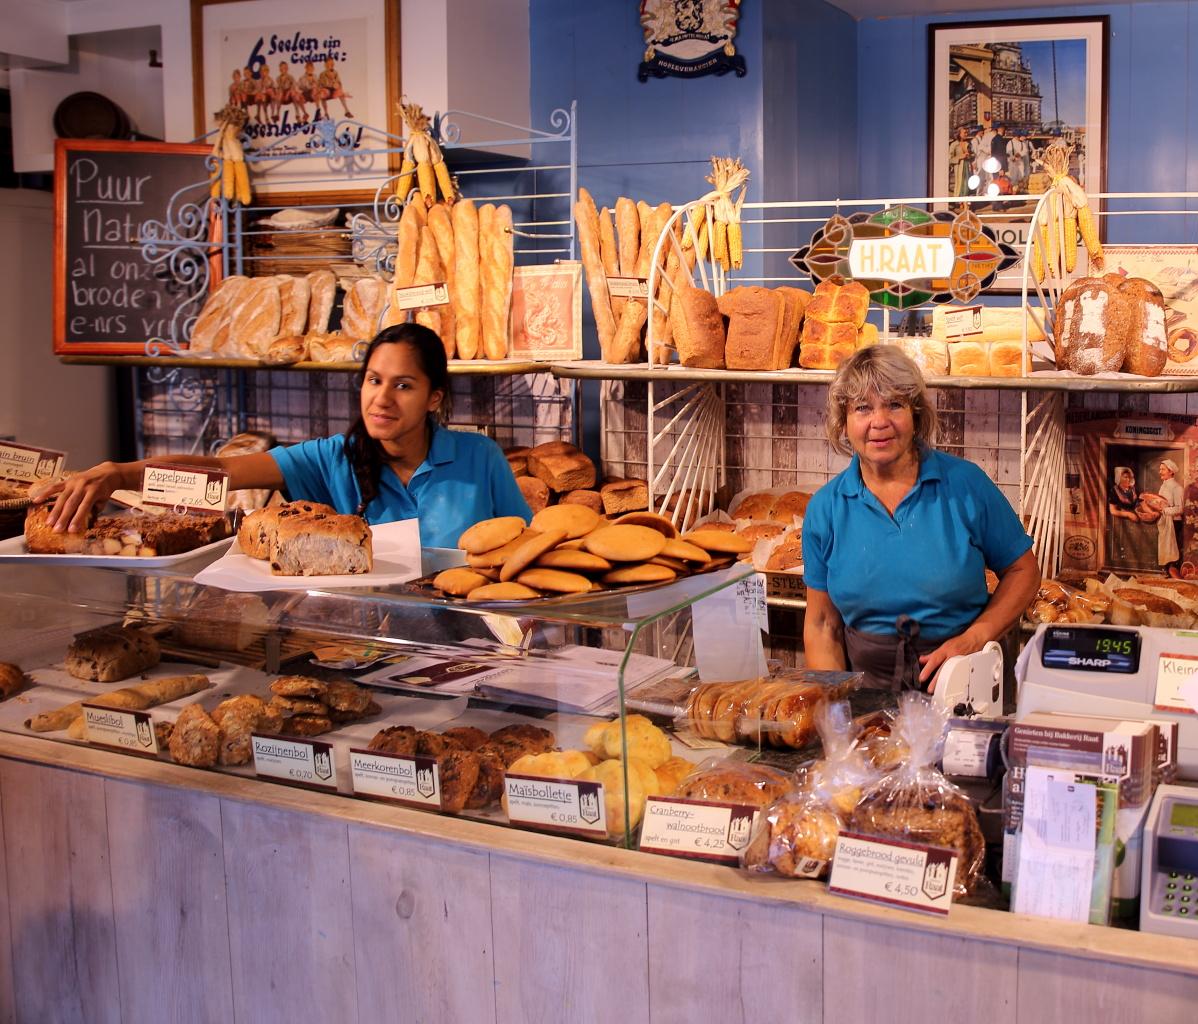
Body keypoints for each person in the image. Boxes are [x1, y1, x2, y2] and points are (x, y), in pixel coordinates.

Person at [32, 324, 531, 550]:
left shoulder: (478, 457)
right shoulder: (332, 457)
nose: (382, 399)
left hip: (473, 645)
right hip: (367, 648)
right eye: (374, 381)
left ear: (435, 398)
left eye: (404, 386)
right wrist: (121, 472)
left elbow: (525, 544)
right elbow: (221, 472)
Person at [801, 345, 1041, 691]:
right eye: (863, 408)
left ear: (916, 414)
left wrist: (976, 636)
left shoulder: (965, 485)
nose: (879, 421)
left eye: (894, 404)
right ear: (844, 421)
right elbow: (823, 624)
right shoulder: (826, 508)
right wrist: (835, 711)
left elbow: (1024, 571)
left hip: (963, 684)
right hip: (867, 697)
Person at [1155, 458, 1184, 577]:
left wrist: (1164, 510)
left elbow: (1180, 508)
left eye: (1163, 469)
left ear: (1171, 471)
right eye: (1160, 469)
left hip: (1174, 523)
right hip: (1164, 522)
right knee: (1165, 549)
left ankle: (1173, 577)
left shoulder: (1177, 488)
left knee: (1172, 550)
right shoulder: (1163, 486)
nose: (1160, 471)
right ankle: (1166, 574)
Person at [1107, 465, 1140, 564]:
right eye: (1125, 477)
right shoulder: (1114, 491)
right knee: (1123, 549)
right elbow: (1112, 511)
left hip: (1134, 522)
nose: (1128, 479)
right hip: (1120, 523)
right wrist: (1128, 515)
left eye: (1129, 477)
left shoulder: (1133, 489)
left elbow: (1137, 503)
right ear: (1119, 477)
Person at [949, 126, 972, 198]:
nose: (966, 134)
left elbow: (972, 155)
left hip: (967, 166)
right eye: (964, 133)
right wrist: (960, 157)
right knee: (960, 184)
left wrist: (969, 156)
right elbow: (950, 158)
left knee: (967, 184)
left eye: (966, 133)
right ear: (959, 134)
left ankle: (964, 203)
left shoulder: (968, 144)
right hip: (959, 167)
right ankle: (959, 201)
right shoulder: (954, 144)